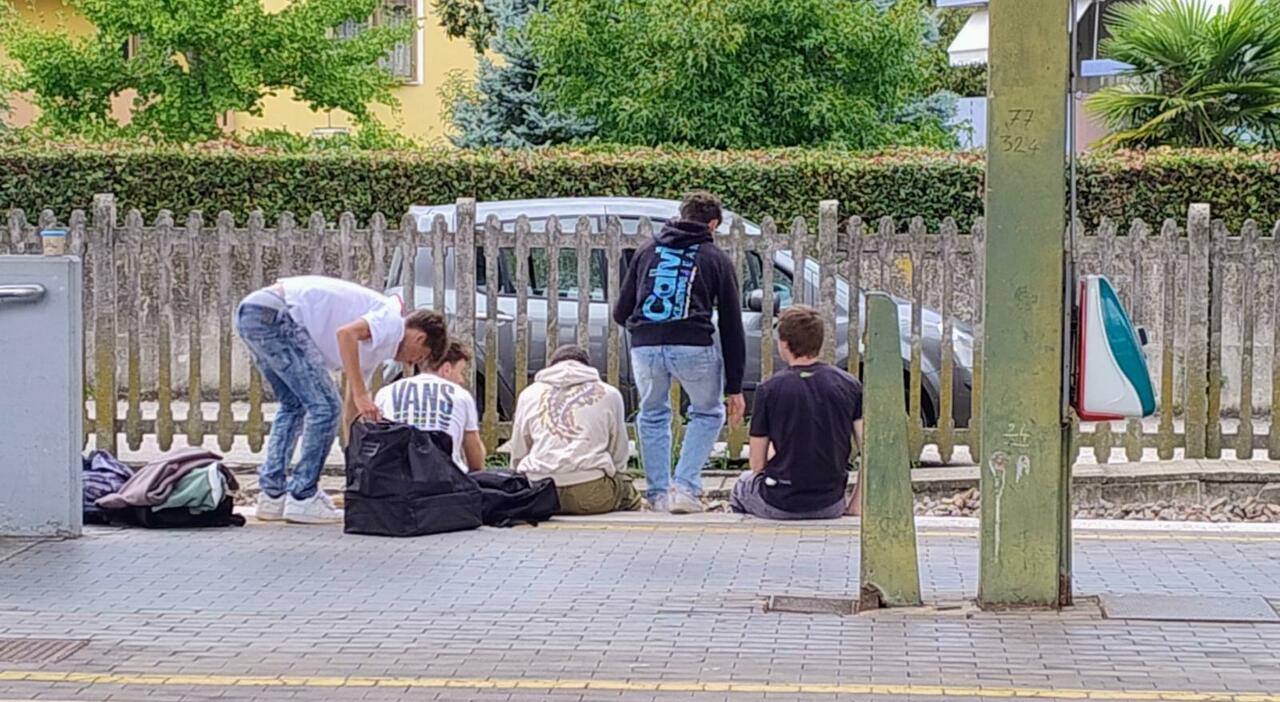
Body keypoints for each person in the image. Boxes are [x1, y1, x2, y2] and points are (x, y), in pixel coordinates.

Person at [236, 275, 447, 524]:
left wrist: (357, 466)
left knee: (294, 406)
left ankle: (272, 496)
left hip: (254, 311)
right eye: (420, 357)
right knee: (324, 407)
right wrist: (361, 393)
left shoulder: (374, 350)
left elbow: (351, 413)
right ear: (420, 339)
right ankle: (303, 496)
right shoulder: (392, 321)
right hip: (278, 314)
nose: (412, 364)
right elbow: (346, 334)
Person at [613, 191, 747, 514]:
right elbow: (731, 324)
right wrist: (735, 387)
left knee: (653, 414)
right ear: (712, 224)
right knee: (707, 412)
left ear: (680, 214)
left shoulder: (647, 250)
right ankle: (685, 487)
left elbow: (620, 311)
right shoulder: (715, 258)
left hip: (645, 345)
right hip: (692, 343)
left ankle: (658, 494)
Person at [730, 305, 864, 521]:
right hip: (830, 503)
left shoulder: (769, 389)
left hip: (780, 502)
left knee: (742, 485)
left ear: (784, 344)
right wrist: (855, 504)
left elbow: (757, 465)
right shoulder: (850, 385)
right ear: (819, 343)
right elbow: (870, 452)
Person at [509, 345, 643, 516]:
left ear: (551, 366)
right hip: (590, 490)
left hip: (539, 491)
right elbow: (619, 450)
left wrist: (518, 478)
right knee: (626, 489)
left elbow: (519, 447)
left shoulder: (529, 394)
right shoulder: (610, 394)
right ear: (587, 366)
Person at [375, 338, 485, 474]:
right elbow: (475, 460)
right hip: (446, 480)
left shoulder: (386, 393)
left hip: (397, 479)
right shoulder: (461, 396)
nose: (461, 380)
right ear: (446, 369)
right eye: (460, 372)